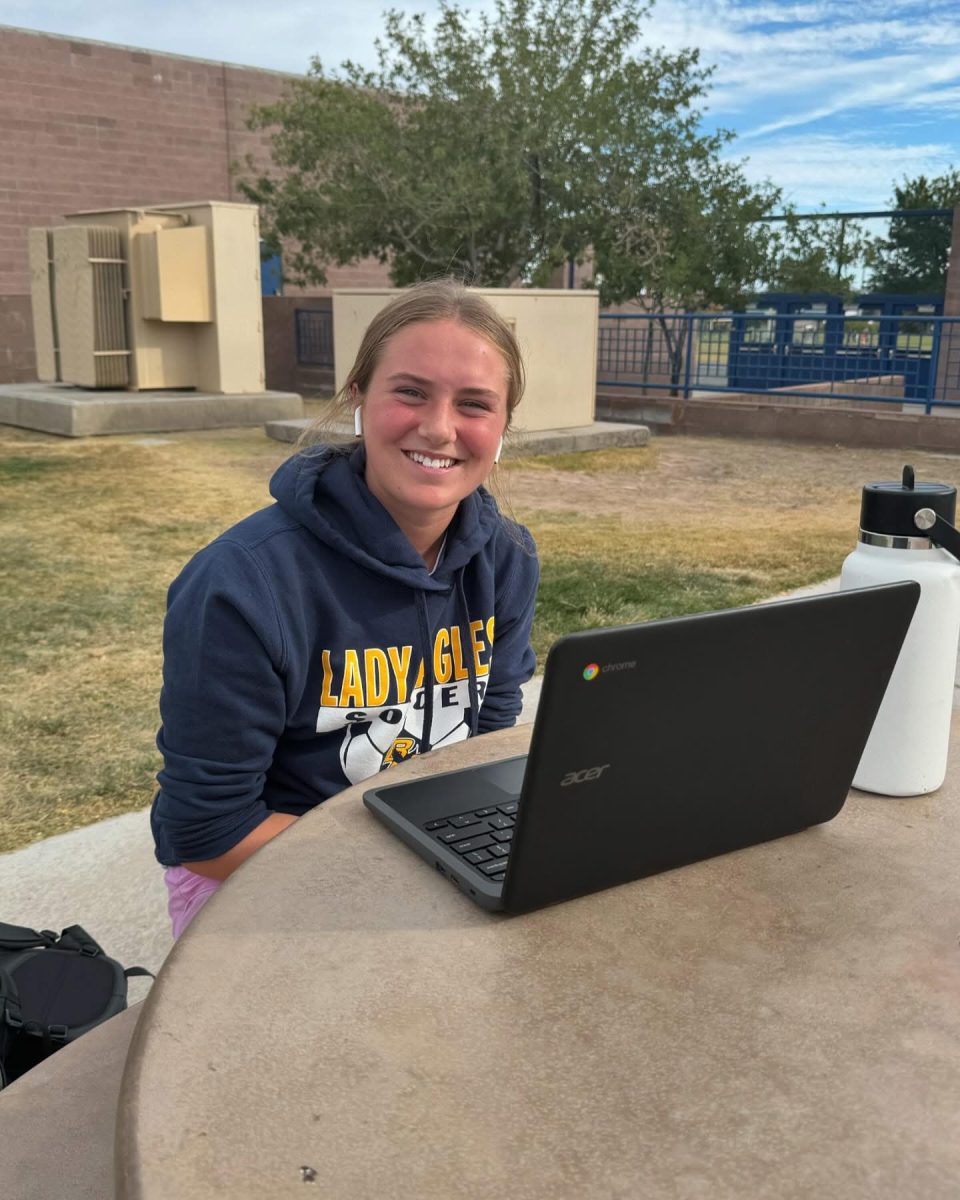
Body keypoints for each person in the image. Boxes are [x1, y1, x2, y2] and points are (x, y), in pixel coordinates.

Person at [151, 279, 540, 937]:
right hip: (261, 871)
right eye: (410, 392)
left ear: (501, 427)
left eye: (474, 404)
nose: (439, 428)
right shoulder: (241, 585)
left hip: (426, 852)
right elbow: (210, 832)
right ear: (359, 396)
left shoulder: (505, 560)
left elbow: (490, 736)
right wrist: (414, 855)